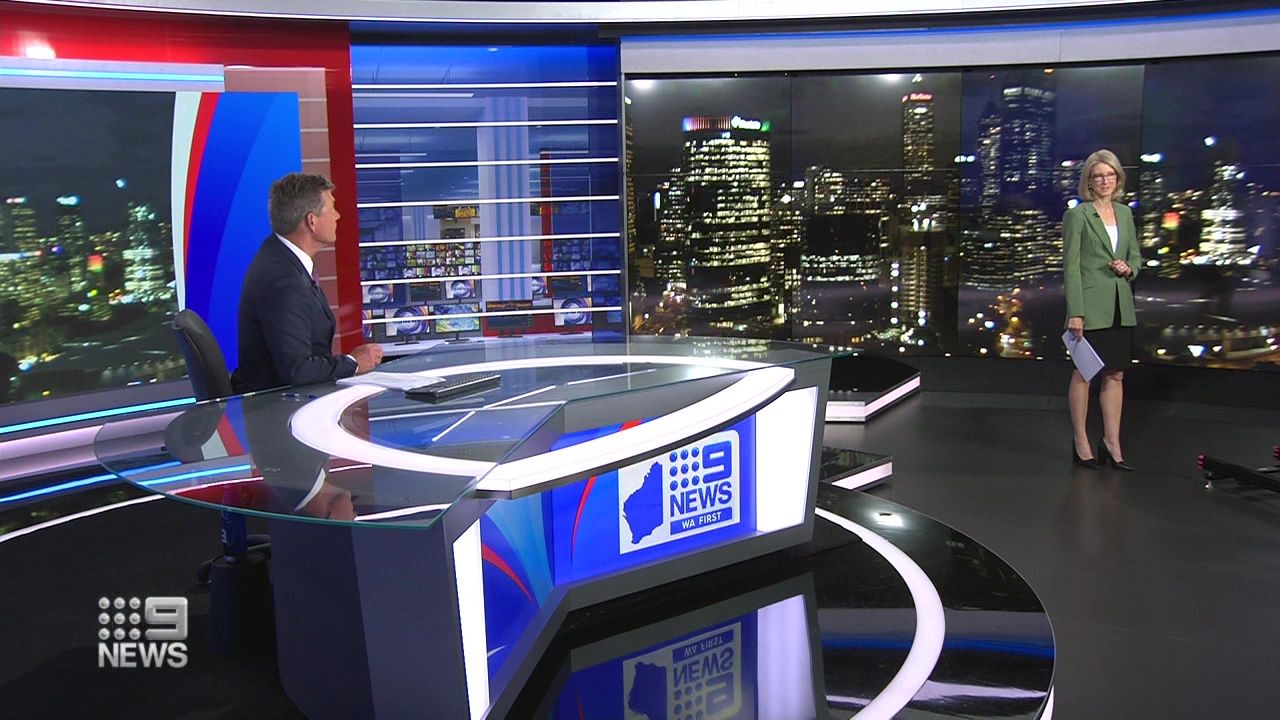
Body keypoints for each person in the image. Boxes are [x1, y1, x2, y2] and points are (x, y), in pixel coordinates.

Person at [231, 173, 382, 393]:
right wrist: (353, 362)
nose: (338, 216)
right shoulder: (284, 281)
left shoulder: (278, 255)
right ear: (312, 221)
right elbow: (298, 370)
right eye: (332, 209)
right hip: (280, 405)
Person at [1063, 149, 1140, 471]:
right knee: (1084, 372)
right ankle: (1081, 441)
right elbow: (1071, 267)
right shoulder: (1078, 215)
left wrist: (1129, 268)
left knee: (1116, 373)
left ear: (1118, 178)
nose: (1105, 181)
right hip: (1090, 306)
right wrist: (1076, 312)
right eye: (1098, 176)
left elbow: (1135, 256)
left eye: (1110, 175)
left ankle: (1112, 443)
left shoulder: (1125, 213)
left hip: (1120, 304)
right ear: (1089, 181)